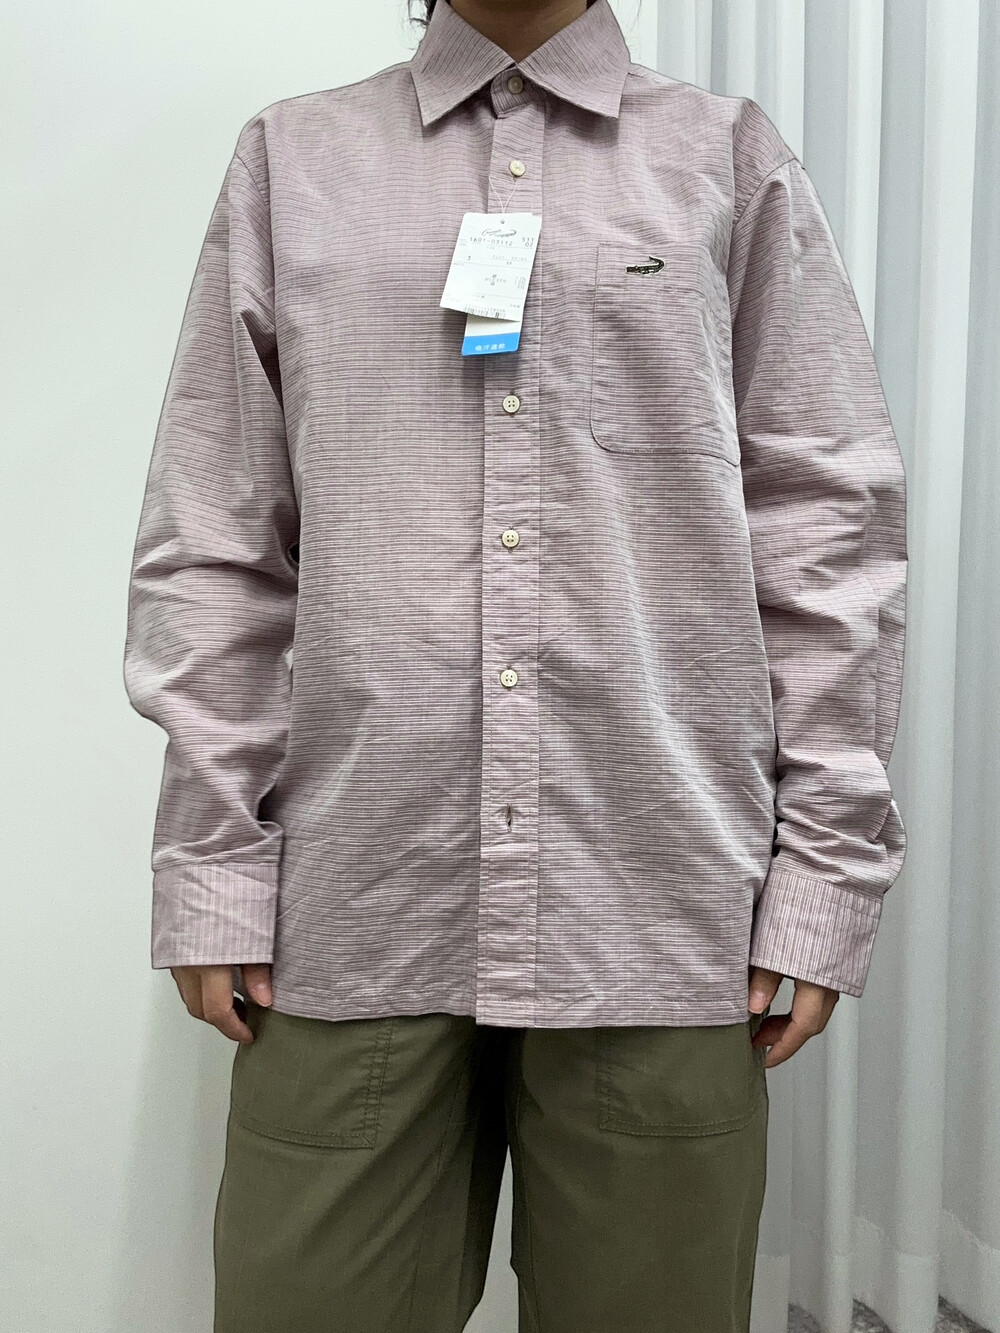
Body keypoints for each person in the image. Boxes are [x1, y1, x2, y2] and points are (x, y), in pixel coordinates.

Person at [122, 0, 908, 1328]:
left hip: (659, 902)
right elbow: (214, 537)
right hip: (356, 903)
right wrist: (213, 863)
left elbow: (827, 531)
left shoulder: (727, 158)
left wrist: (825, 870)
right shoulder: (292, 160)